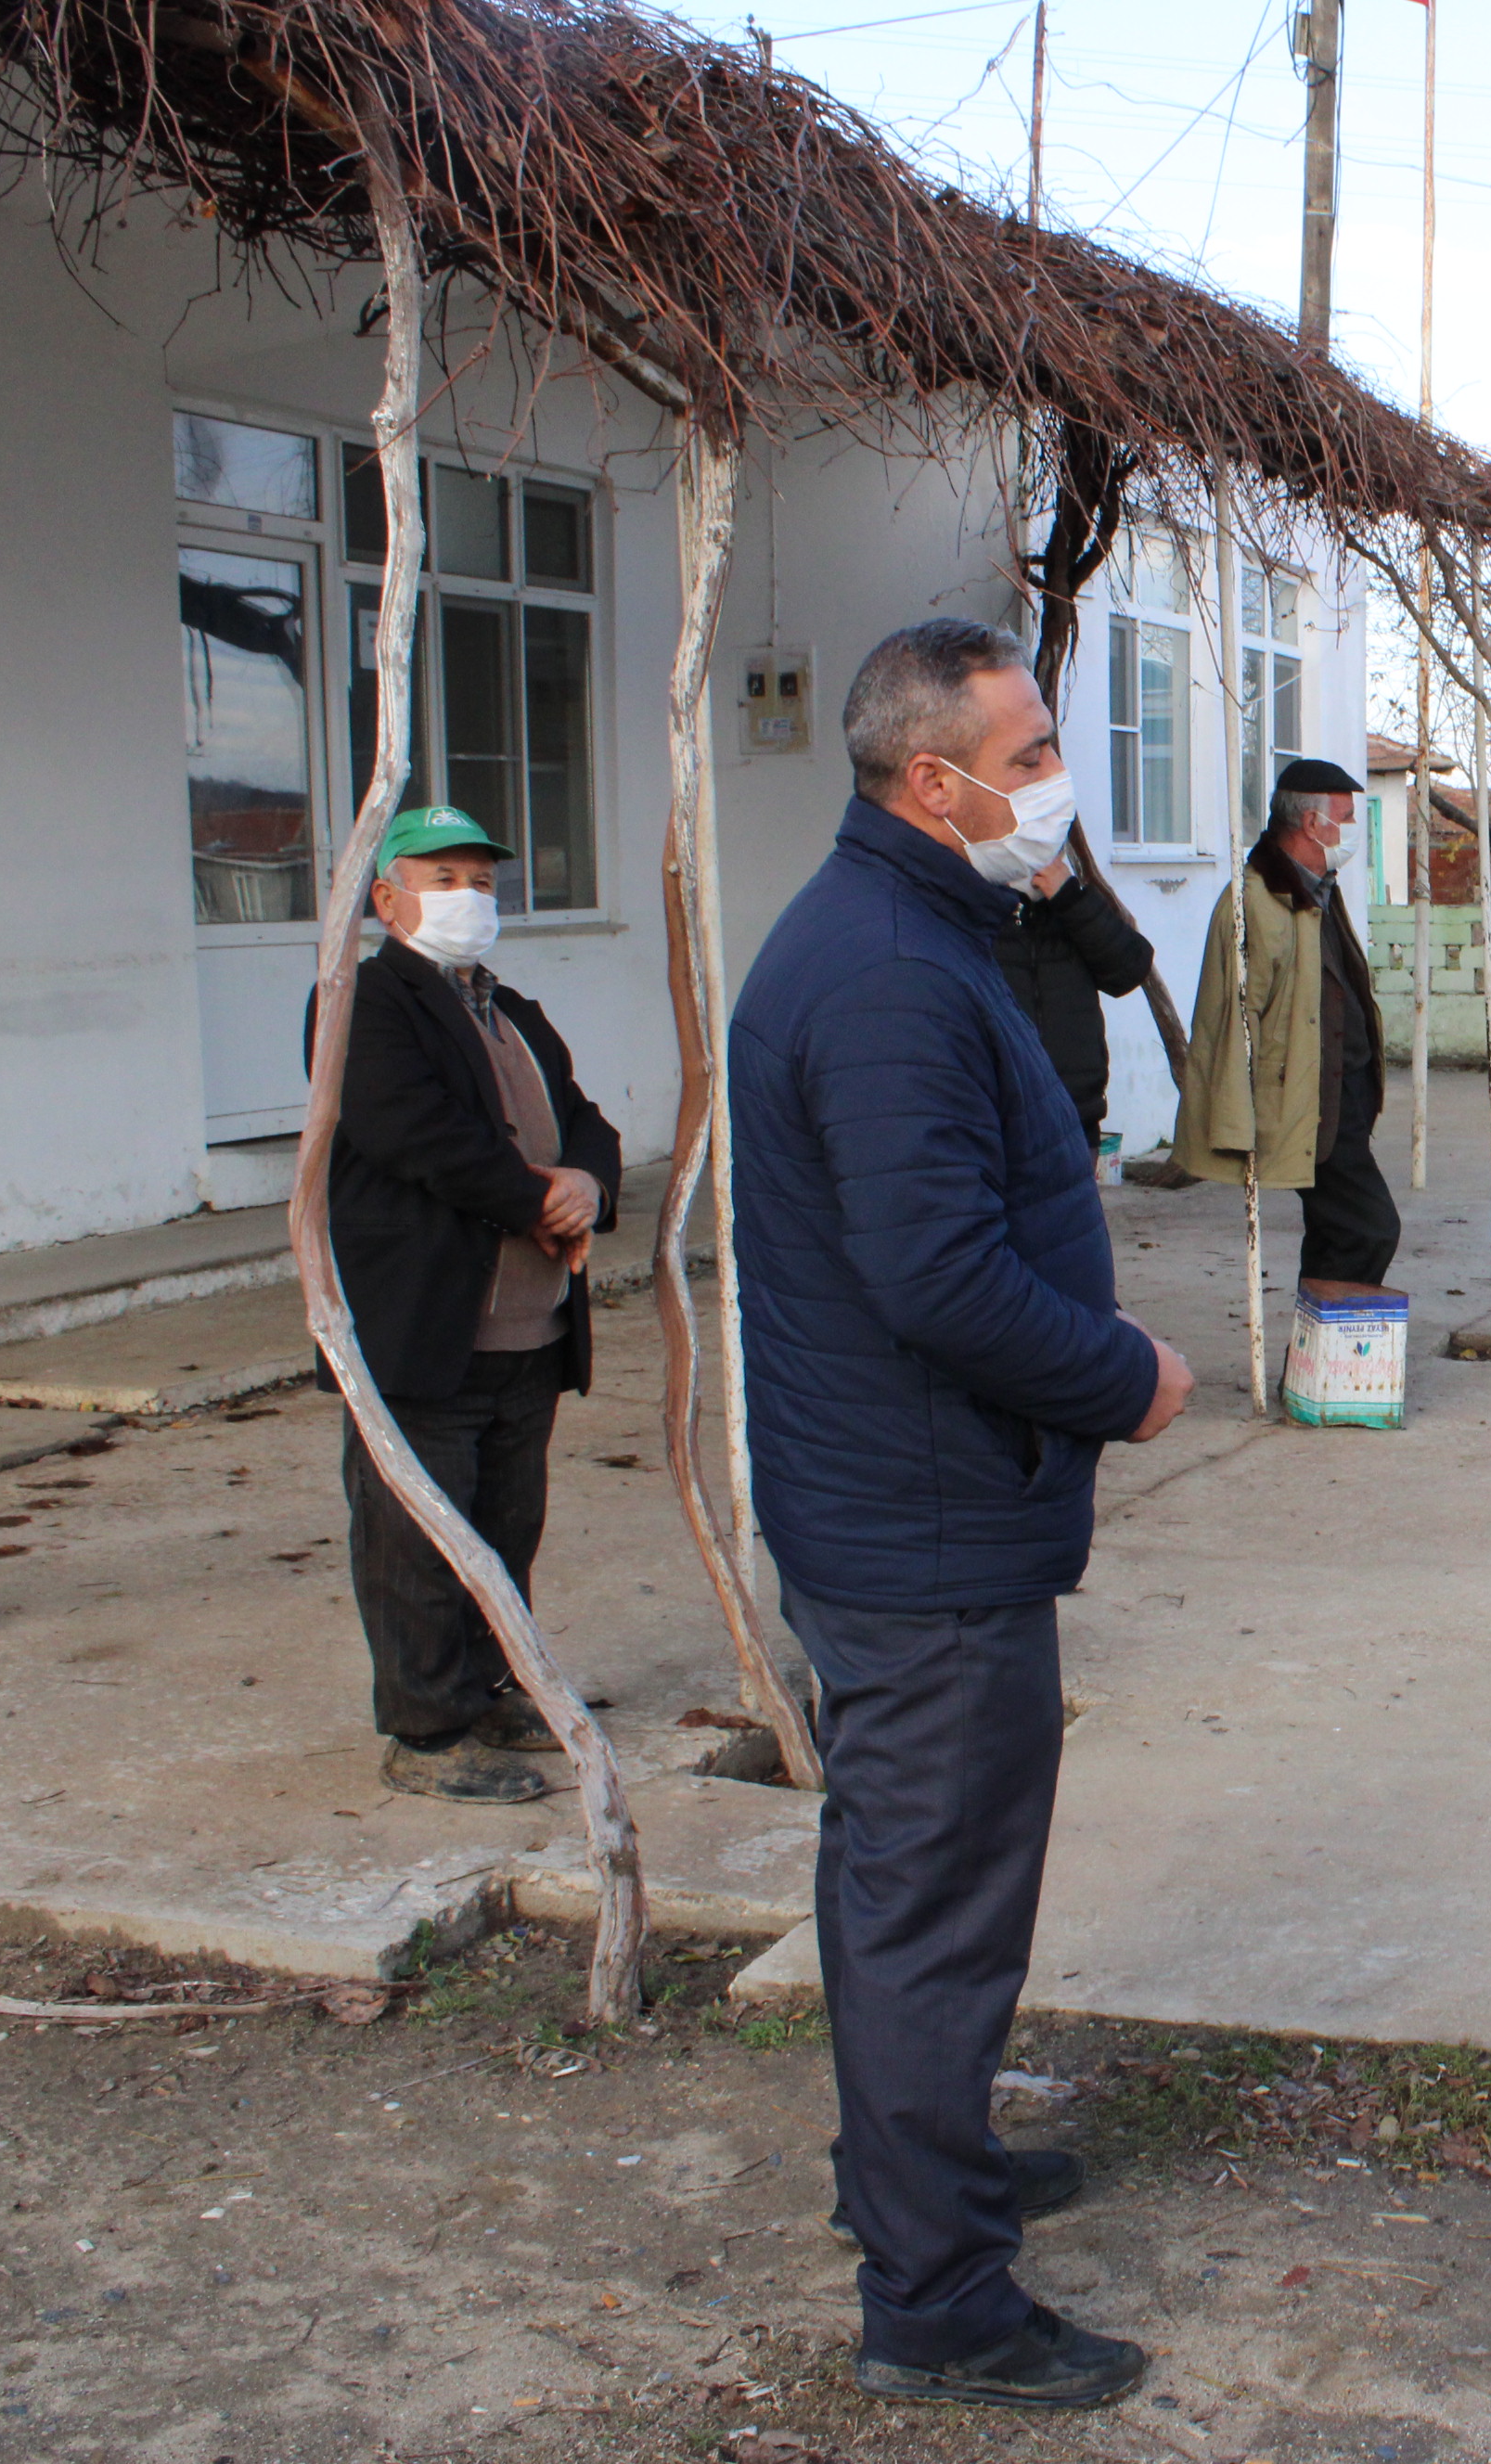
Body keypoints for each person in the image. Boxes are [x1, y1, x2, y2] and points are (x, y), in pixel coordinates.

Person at [730, 616, 1192, 2414]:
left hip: (908, 1504)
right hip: (925, 1525)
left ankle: (918, 2172)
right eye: (1026, 753)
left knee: (899, 1879)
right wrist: (1117, 1374)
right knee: (933, 1901)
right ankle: (938, 2300)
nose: (1050, 782)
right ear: (933, 782)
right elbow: (935, 1271)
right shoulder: (888, 973)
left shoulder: (915, 927)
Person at [315, 805, 620, 1805]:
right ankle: (426, 1729)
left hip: (526, 1328)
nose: (469, 899)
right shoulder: (358, 1003)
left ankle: (492, 1687)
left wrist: (587, 1183)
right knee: (415, 1536)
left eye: (483, 882)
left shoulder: (512, 1008)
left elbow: (585, 1120)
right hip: (424, 1328)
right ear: (385, 895)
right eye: (444, 878)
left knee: (504, 1522)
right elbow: (414, 1133)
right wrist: (537, 1194)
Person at [1174, 757, 1395, 1289]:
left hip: (1341, 1101)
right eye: (1344, 818)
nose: (1351, 832)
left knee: (1335, 1233)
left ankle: (1315, 1366)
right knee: (1370, 1229)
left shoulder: (1318, 888)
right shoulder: (1256, 901)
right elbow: (1231, 1026)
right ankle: (1333, 1364)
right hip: (1305, 1104)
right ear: (1312, 824)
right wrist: (1234, 1125)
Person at [989, 845, 1153, 1154]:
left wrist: (1070, 898)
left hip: (1075, 1116)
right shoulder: (975, 906)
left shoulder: (1072, 906)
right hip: (995, 1119)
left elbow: (1130, 969)